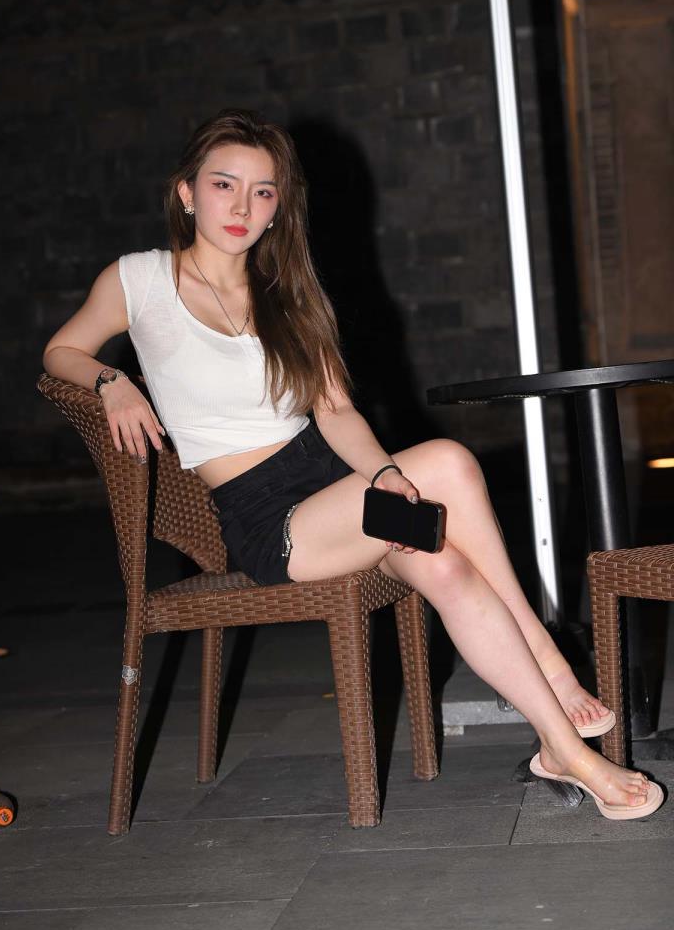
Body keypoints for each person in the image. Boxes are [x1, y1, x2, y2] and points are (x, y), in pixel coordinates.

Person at [43, 108, 663, 821]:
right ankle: (550, 660)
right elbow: (60, 352)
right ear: (186, 192)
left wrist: (384, 476)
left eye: (263, 191)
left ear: (279, 206)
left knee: (445, 567)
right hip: (267, 517)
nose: (242, 207)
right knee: (448, 461)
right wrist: (111, 381)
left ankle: (562, 749)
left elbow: (336, 414)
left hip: (334, 488)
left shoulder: (287, 296)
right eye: (223, 185)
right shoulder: (140, 279)